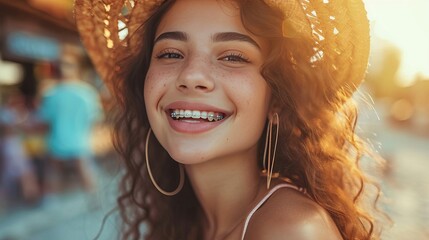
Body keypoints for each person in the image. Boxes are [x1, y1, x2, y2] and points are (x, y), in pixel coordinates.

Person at [75, 0, 384, 239]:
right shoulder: (188, 217)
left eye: (233, 57)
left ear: (277, 99)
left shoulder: (291, 230)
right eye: (170, 53)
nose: (192, 75)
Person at [37, 46, 102, 194]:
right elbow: (95, 119)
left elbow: (44, 122)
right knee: (86, 178)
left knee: (53, 176)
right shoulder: (87, 92)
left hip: (57, 143)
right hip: (79, 143)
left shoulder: (50, 94)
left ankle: (52, 207)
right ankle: (95, 204)